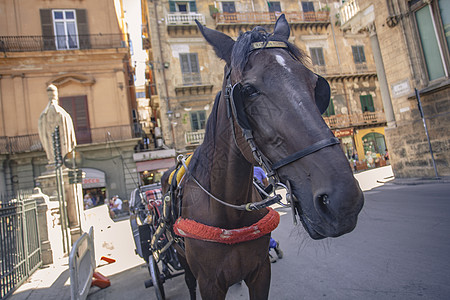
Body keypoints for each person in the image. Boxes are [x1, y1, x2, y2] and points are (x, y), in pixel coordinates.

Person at [253, 166, 283, 263]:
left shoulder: (256, 170)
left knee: (260, 229)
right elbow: (266, 183)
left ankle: (269, 250)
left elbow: (266, 184)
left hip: (259, 202)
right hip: (249, 204)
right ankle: (273, 245)